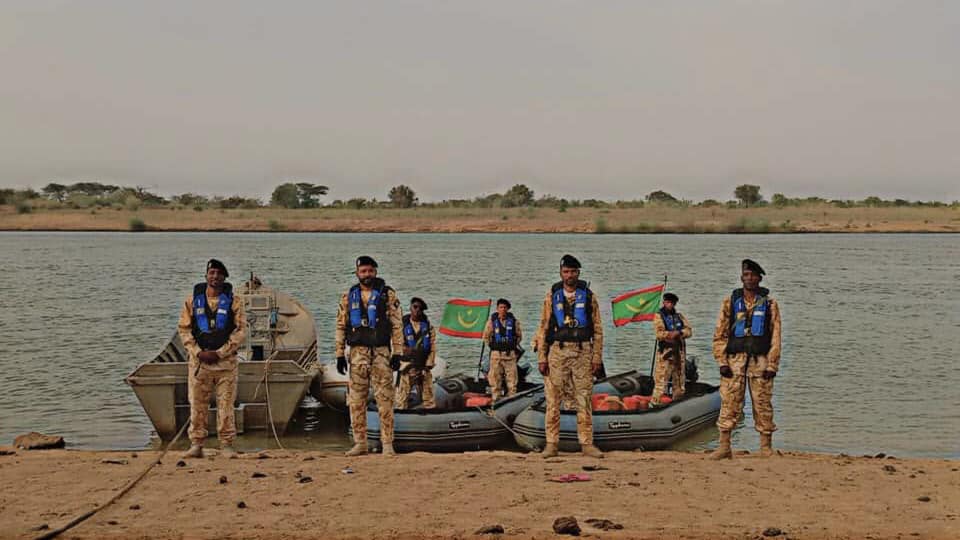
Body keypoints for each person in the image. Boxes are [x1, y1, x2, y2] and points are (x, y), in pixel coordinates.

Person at [710, 259, 782, 459]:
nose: (749, 278)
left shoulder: (770, 304)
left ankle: (766, 447)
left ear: (759, 278)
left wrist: (772, 364)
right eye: (746, 275)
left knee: (762, 402)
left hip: (760, 362)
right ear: (742, 277)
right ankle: (724, 446)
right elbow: (720, 334)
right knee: (729, 402)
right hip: (735, 362)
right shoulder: (730, 302)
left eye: (753, 275)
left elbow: (775, 336)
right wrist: (722, 362)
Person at [535, 254, 605, 458]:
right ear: (560, 273)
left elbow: (598, 330)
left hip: (583, 352)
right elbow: (543, 327)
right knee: (553, 400)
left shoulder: (589, 297)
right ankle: (551, 444)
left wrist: (596, 358)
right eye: (566, 272)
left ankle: (587, 444)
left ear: (578, 273)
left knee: (584, 399)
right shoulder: (552, 296)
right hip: (558, 352)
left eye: (573, 272)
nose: (570, 275)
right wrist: (542, 357)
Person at [177, 259, 247, 459]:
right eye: (212, 273)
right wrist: (198, 352)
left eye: (219, 273)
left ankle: (226, 444)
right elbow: (184, 329)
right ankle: (196, 444)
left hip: (225, 364)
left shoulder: (234, 302)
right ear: (206, 276)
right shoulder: (192, 301)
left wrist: (220, 353)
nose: (215, 277)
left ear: (224, 277)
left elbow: (241, 331)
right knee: (197, 405)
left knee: (226, 406)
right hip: (200, 364)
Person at [335, 256, 404, 456]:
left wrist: (398, 352)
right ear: (357, 273)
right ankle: (360, 443)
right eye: (363, 271)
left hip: (381, 352)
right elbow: (340, 325)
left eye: (370, 271)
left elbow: (397, 325)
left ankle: (387, 443)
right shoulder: (348, 297)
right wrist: (339, 354)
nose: (367, 275)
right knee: (356, 400)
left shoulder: (387, 295)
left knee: (385, 399)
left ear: (376, 271)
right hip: (357, 354)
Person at [651, 292, 692, 406]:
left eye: (671, 303)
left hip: (679, 353)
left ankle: (677, 401)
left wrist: (680, 333)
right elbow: (659, 334)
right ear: (664, 302)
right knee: (661, 380)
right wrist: (670, 334)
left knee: (679, 380)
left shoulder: (679, 316)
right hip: (666, 353)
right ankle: (655, 403)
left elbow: (689, 331)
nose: (669, 305)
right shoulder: (659, 316)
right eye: (667, 302)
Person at [395, 297, 437, 409]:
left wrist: (429, 364)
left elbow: (432, 347)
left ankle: (430, 411)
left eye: (420, 308)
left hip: (423, 365)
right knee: (402, 396)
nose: (417, 310)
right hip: (407, 365)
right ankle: (401, 412)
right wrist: (404, 351)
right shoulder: (402, 326)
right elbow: (396, 344)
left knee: (428, 394)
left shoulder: (428, 327)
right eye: (415, 307)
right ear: (410, 308)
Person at [481, 298, 523, 401]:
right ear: (497, 308)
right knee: (495, 380)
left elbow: (519, 336)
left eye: (505, 307)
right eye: (501, 307)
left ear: (507, 309)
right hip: (496, 355)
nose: (503, 309)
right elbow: (486, 337)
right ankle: (496, 399)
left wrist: (510, 345)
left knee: (512, 380)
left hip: (509, 355)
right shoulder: (491, 322)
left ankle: (512, 399)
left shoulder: (514, 322)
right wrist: (494, 346)